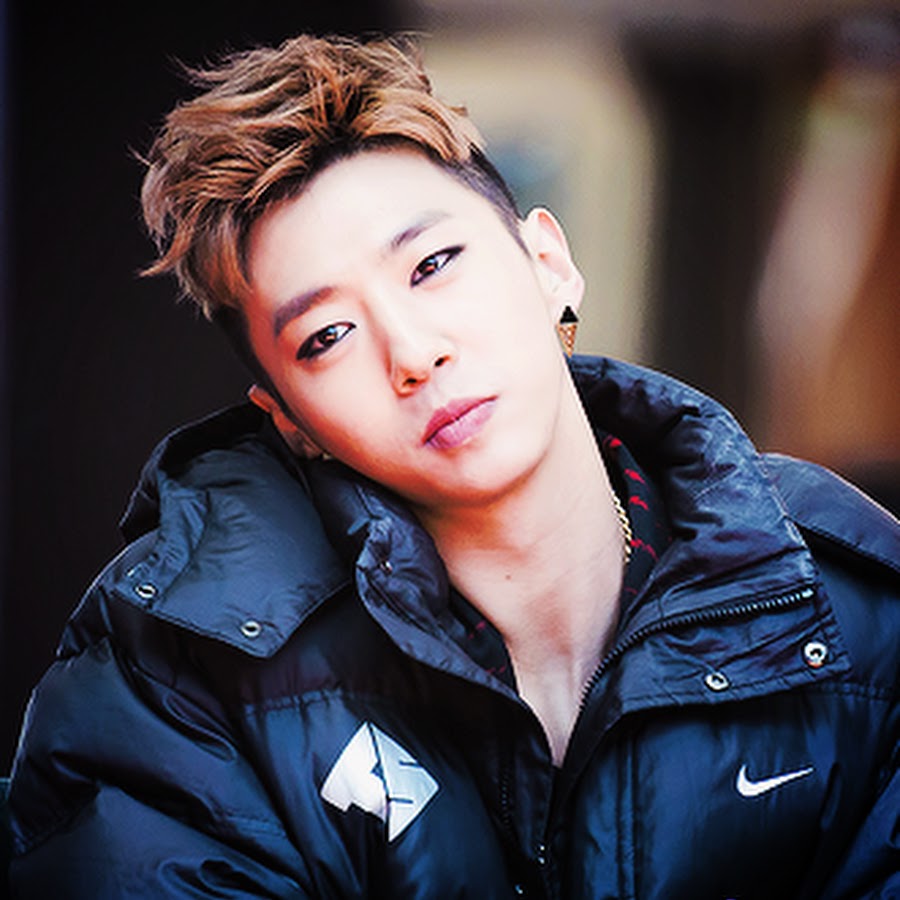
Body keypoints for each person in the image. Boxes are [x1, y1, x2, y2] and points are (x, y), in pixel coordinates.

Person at [7, 34, 899, 899]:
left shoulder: (848, 606)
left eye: (432, 265)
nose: (412, 353)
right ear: (290, 421)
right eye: (328, 336)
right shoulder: (177, 673)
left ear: (549, 264)